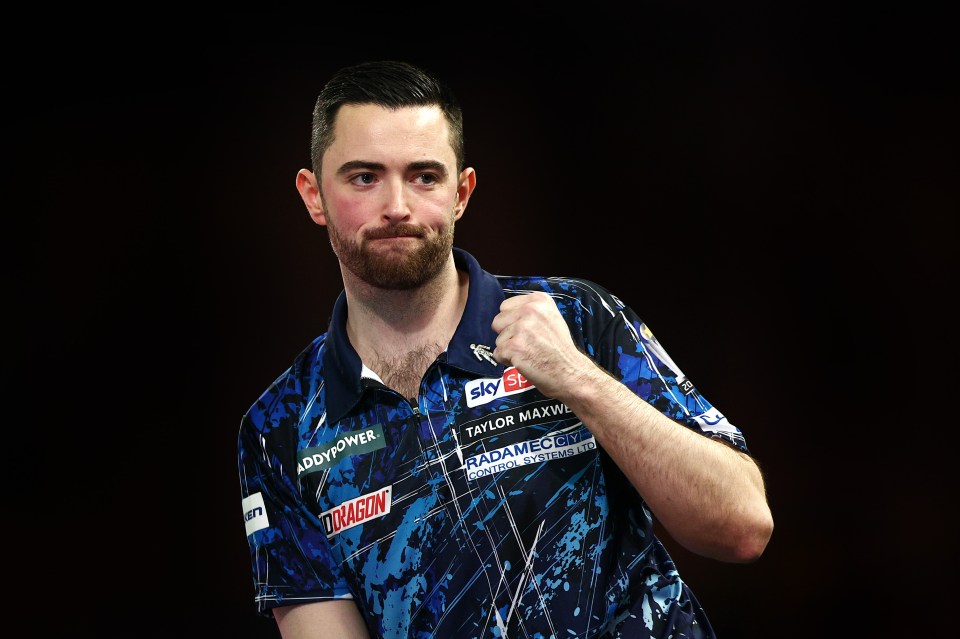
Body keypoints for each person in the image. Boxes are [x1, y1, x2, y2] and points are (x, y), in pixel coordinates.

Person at [237, 60, 774, 639]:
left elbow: (742, 527)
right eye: (364, 177)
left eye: (424, 176)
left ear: (461, 192)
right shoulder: (281, 427)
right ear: (314, 196)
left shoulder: (577, 317)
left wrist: (577, 377)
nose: (397, 205)